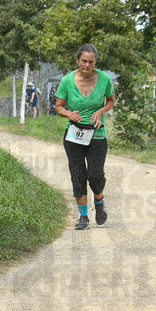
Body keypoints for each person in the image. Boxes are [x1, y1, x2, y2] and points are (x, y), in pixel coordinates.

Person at [54, 44, 115, 231]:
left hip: (97, 134)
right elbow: (58, 106)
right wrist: (68, 114)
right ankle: (82, 216)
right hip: (74, 135)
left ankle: (99, 202)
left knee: (96, 175)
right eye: (84, 61)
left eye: (91, 62)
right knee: (78, 174)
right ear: (77, 60)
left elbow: (111, 101)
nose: (87, 65)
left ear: (95, 62)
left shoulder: (104, 79)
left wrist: (101, 111)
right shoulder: (67, 81)